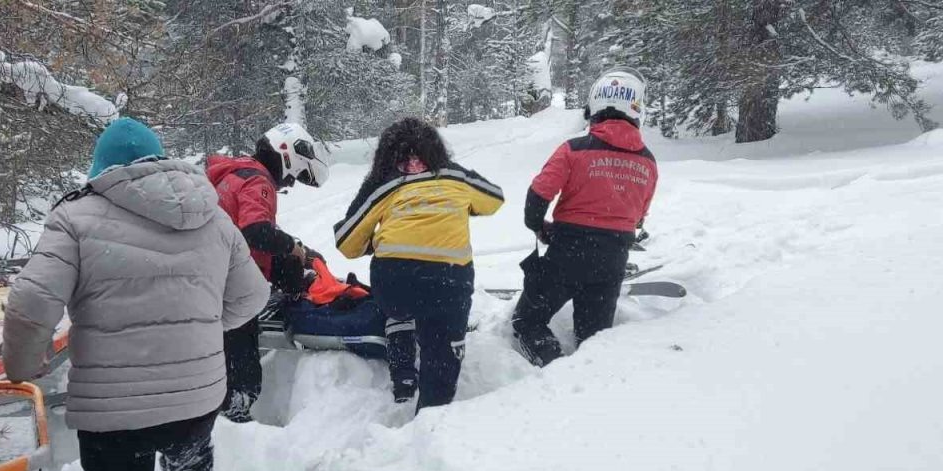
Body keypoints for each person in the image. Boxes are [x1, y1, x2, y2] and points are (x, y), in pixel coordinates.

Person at [3, 118, 269, 471]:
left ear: (101, 167)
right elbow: (252, 296)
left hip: (113, 416)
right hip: (195, 400)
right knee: (189, 467)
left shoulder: (74, 217)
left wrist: (24, 366)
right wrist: (202, 330)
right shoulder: (211, 212)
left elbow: (30, 302)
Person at [333, 117, 503, 410]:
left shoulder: (383, 183)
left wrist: (374, 243)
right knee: (441, 352)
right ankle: (433, 413)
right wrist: (463, 208)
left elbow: (346, 241)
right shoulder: (455, 175)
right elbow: (495, 199)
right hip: (450, 280)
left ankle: (403, 378)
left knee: (398, 309)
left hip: (395, 279)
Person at [511, 66, 659, 367]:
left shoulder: (573, 149)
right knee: (594, 340)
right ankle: (587, 388)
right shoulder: (648, 162)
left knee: (527, 320)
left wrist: (540, 227)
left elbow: (538, 195)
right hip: (613, 258)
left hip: (568, 253)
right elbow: (639, 217)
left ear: (595, 105)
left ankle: (552, 369)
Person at [205, 123, 329, 422]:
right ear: (287, 153)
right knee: (241, 362)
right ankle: (237, 420)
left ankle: (226, 408)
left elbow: (240, 230)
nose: (289, 184)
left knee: (221, 354)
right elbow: (256, 232)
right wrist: (293, 249)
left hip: (210, 274)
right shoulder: (258, 180)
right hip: (230, 283)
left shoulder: (234, 172)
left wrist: (292, 250)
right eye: (293, 176)